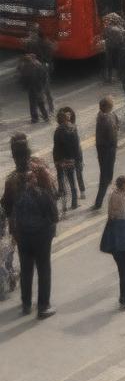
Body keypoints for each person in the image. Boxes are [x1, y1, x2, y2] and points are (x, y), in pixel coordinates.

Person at [1, 134, 59, 318]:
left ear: (13, 156)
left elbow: (6, 206)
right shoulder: (40, 173)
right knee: (44, 267)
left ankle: (26, 304)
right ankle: (43, 306)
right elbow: (54, 195)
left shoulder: (11, 180)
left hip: (22, 231)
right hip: (43, 230)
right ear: (29, 153)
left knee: (26, 267)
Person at [100, 176, 125, 311]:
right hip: (122, 239)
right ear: (123, 186)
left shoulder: (117, 194)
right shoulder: (119, 197)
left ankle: (124, 298)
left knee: (123, 270)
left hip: (117, 238)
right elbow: (123, 214)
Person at [52, 110, 82, 215]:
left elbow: (55, 148)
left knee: (62, 183)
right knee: (72, 181)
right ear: (66, 119)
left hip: (60, 161)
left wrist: (56, 161)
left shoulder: (57, 131)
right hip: (70, 160)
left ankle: (64, 205)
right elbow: (77, 147)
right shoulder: (73, 129)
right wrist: (78, 160)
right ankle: (74, 203)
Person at [92, 96, 120, 211]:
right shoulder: (105, 119)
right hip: (106, 149)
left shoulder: (110, 115)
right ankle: (98, 202)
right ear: (107, 107)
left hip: (108, 148)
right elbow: (111, 135)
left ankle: (108, 184)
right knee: (105, 175)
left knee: (108, 174)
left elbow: (117, 123)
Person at [17, 52, 50, 124]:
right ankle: (45, 117)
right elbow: (45, 77)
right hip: (38, 88)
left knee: (33, 104)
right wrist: (43, 86)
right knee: (40, 103)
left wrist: (25, 86)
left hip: (33, 88)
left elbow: (23, 77)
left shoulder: (27, 67)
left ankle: (35, 118)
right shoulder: (38, 66)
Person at [102, 13, 125, 84]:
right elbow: (122, 38)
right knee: (118, 62)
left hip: (109, 47)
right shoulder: (120, 28)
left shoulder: (107, 28)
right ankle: (120, 77)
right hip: (118, 47)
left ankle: (109, 78)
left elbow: (104, 36)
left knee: (109, 63)